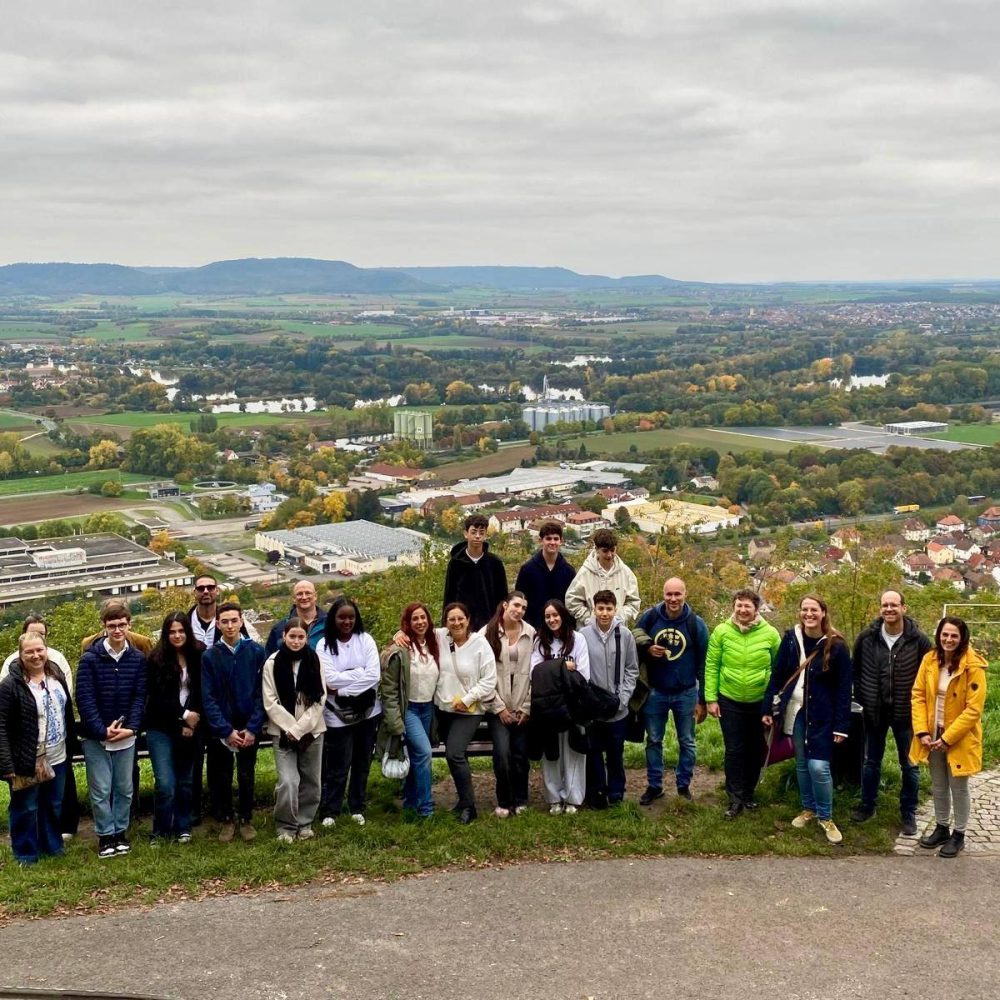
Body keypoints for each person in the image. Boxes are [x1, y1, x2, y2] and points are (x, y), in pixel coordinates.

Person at [763, 595, 852, 845]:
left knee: (819, 767)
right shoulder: (791, 639)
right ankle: (808, 808)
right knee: (802, 763)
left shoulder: (837, 645)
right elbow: (778, 675)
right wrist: (767, 707)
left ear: (823, 613)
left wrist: (842, 725)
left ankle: (826, 815)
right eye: (804, 609)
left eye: (814, 610)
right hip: (795, 710)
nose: (809, 614)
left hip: (823, 714)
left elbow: (845, 688)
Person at [851, 589, 931, 835]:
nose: (889, 609)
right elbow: (855, 671)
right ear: (880, 609)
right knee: (870, 762)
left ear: (903, 608)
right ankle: (867, 805)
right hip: (873, 712)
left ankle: (908, 812)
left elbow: (929, 675)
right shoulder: (867, 638)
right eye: (885, 605)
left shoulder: (919, 640)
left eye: (894, 605)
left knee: (909, 765)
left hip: (906, 713)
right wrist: (861, 699)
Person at [910, 616, 988, 858]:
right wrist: (922, 731)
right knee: (939, 785)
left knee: (959, 786)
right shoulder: (930, 659)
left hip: (959, 737)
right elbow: (918, 695)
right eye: (945, 634)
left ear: (962, 638)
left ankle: (959, 834)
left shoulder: (973, 666)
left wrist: (948, 738)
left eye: (954, 635)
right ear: (939, 635)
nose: (949, 639)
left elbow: (973, 709)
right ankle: (942, 827)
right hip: (932, 734)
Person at [75, 599, 146, 857]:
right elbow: (84, 697)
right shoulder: (90, 659)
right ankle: (105, 835)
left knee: (124, 788)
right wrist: (101, 729)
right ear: (104, 626)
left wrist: (132, 727)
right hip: (97, 736)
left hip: (126, 735)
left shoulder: (137, 658)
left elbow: (140, 696)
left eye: (122, 625)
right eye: (112, 625)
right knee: (101, 789)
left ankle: (120, 832)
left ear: (129, 625)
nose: (117, 630)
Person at [704, 589, 780, 819]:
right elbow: (711, 666)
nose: (742, 610)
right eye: (739, 605)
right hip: (730, 699)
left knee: (756, 749)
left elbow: (778, 670)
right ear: (733, 607)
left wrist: (773, 700)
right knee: (734, 750)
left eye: (747, 606)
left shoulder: (771, 634)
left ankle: (748, 793)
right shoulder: (721, 632)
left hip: (759, 702)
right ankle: (734, 798)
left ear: (756, 609)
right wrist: (711, 698)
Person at [0, 632, 75, 865]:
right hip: (26, 757)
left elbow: (67, 712)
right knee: (26, 806)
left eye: (39, 650)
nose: (35, 655)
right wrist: (6, 763)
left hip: (57, 753)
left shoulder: (56, 675)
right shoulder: (10, 685)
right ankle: (25, 853)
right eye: (29, 651)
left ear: (46, 649)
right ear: (20, 655)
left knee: (53, 804)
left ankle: (52, 846)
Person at [632, 577, 709, 804]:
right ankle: (655, 785)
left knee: (687, 741)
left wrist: (702, 698)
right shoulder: (652, 616)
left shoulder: (696, 624)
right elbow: (634, 633)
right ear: (663, 595)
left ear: (685, 594)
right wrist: (648, 647)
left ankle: (683, 785)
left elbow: (704, 663)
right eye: (669, 594)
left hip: (686, 692)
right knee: (654, 740)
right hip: (655, 691)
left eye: (677, 594)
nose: (673, 599)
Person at [201, 602, 266, 843]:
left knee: (247, 774)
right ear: (218, 624)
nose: (229, 625)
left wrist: (252, 727)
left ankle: (246, 818)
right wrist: (225, 730)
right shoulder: (210, 656)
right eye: (224, 621)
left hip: (249, 724)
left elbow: (263, 693)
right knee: (222, 775)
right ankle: (226, 819)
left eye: (234, 620)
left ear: (241, 622)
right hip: (223, 727)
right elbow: (208, 698)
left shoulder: (256, 652)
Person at [317, 597, 382, 827]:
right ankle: (330, 810)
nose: (347, 621)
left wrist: (342, 691)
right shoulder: (323, 645)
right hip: (336, 716)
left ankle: (357, 806)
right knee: (337, 765)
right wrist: (358, 673)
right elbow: (329, 679)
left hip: (368, 713)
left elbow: (374, 675)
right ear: (333, 619)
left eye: (351, 617)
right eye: (342, 617)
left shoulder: (365, 640)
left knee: (362, 762)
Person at [263, 617, 326, 843]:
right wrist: (291, 729)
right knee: (288, 781)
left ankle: (305, 822)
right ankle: (286, 826)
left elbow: (320, 698)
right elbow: (270, 702)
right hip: (282, 732)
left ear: (306, 638)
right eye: (292, 637)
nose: (296, 641)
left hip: (312, 730)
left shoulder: (314, 660)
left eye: (301, 637)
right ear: (284, 637)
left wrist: (301, 729)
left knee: (311, 779)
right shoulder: (272, 663)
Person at [435, 601, 497, 824]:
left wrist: (468, 699)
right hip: (444, 708)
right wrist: (398, 635)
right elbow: (415, 628)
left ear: (468, 619)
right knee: (456, 756)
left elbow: (490, 679)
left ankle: (470, 807)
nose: (456, 622)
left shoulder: (480, 643)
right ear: (445, 622)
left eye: (460, 618)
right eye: (451, 619)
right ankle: (463, 799)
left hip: (469, 710)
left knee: (454, 753)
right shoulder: (440, 637)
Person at [144, 613, 203, 844]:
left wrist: (192, 722)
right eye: (172, 632)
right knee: (166, 783)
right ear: (165, 634)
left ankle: (183, 825)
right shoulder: (155, 660)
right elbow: (157, 699)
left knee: (185, 782)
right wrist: (183, 717)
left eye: (181, 631)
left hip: (191, 728)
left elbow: (202, 691)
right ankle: (160, 830)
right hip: (161, 727)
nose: (177, 636)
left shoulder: (199, 655)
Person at [379, 602, 440, 819]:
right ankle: (426, 808)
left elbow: (458, 629)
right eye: (415, 618)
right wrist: (395, 721)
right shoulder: (401, 650)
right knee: (424, 753)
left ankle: (410, 803)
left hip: (428, 709)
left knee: (417, 756)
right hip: (410, 709)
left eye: (423, 617)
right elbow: (389, 689)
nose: (420, 622)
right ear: (408, 622)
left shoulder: (435, 642)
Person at [530, 598, 591, 815]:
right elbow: (535, 673)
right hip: (547, 706)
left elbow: (583, 673)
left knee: (573, 751)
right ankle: (554, 797)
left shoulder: (578, 639)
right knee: (551, 753)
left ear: (563, 616)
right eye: (547, 616)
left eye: (555, 615)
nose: (552, 619)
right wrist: (563, 666)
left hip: (572, 704)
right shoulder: (539, 641)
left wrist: (551, 670)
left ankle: (573, 798)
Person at [581, 590, 638, 808]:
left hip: (618, 707)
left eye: (609, 609)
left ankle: (616, 792)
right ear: (594, 609)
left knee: (616, 752)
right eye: (600, 608)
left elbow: (632, 669)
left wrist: (623, 699)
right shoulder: (583, 635)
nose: (604, 613)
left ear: (615, 610)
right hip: (593, 708)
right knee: (594, 752)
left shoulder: (625, 636)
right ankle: (596, 792)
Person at [481, 591, 535, 816]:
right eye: (516, 605)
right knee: (502, 755)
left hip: (522, 705)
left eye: (523, 607)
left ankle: (521, 799)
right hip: (498, 707)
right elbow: (481, 675)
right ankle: (504, 800)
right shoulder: (487, 632)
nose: (519, 610)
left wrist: (527, 707)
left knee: (520, 755)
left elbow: (536, 672)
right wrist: (499, 708)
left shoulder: (530, 633)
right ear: (505, 605)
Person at [442, 514, 508, 631]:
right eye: (473, 532)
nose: (477, 536)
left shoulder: (495, 563)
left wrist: (501, 622)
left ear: (486, 535)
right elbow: (449, 596)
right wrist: (446, 625)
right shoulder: (455, 563)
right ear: (466, 534)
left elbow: (503, 597)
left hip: (490, 626)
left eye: (481, 532)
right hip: (462, 626)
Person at [565, 528, 641, 628]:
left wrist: (619, 617)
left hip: (617, 631)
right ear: (596, 549)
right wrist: (589, 618)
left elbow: (634, 602)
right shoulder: (585, 573)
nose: (609, 555)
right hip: (590, 632)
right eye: (605, 551)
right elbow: (571, 601)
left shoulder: (626, 573)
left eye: (612, 550)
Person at [514, 521, 576, 630]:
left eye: (556, 539)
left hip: (562, 630)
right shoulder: (527, 570)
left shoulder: (569, 571)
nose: (552, 542)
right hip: (535, 629)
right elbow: (521, 601)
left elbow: (572, 603)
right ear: (540, 540)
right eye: (548, 538)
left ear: (561, 541)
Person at [187, 574, 261, 650]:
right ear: (194, 592)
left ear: (217, 590)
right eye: (201, 588)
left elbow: (246, 647)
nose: (206, 591)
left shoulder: (231, 619)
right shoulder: (186, 622)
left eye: (210, 588)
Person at [264, 580, 328, 654]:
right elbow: (269, 659)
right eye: (299, 594)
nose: (304, 597)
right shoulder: (279, 628)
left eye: (308, 593)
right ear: (294, 598)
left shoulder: (330, 624)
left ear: (315, 596)